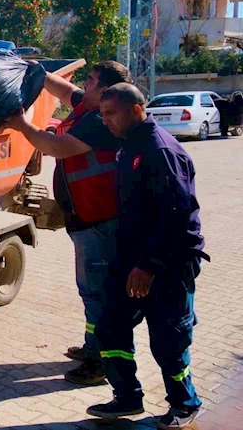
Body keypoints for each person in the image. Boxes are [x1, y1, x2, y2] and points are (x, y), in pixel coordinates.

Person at [87, 83, 209, 429]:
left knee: (169, 338)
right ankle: (127, 396)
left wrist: (148, 266)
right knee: (109, 327)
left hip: (166, 262)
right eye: (102, 113)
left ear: (136, 111)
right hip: (131, 260)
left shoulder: (159, 150)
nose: (105, 121)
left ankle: (185, 403)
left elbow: (176, 215)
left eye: (111, 113)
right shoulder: (130, 145)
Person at [6, 60, 130, 385]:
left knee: (98, 293)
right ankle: (95, 346)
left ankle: (100, 363)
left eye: (90, 81)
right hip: (86, 219)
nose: (84, 85)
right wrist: (35, 70)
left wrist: (22, 124)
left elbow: (55, 147)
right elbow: (64, 90)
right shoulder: (90, 106)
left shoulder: (101, 121)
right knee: (91, 290)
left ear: (105, 91)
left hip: (100, 222)